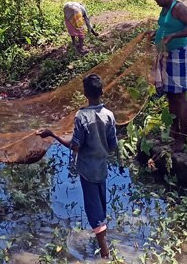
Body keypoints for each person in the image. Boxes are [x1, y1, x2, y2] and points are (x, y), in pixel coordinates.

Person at [36, 74, 117, 260]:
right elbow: (112, 145)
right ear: (102, 92)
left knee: (93, 210)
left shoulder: (81, 116)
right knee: (101, 206)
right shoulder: (109, 115)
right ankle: (102, 239)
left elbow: (75, 145)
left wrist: (53, 134)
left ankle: (105, 252)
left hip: (87, 170)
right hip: (102, 167)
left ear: (85, 94)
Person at [148, 0, 187, 152]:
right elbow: (166, 26)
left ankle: (183, 137)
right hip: (165, 56)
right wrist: (157, 33)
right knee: (170, 94)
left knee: (180, 96)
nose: (155, 0)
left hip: (177, 54)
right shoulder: (164, 8)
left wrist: (173, 36)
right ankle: (174, 130)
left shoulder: (178, 8)